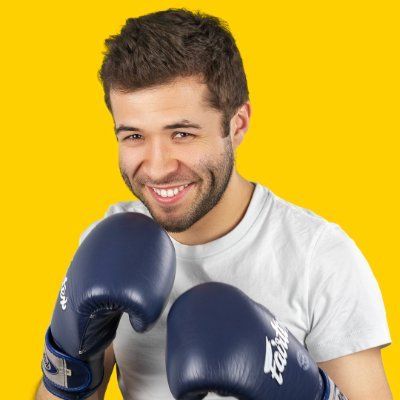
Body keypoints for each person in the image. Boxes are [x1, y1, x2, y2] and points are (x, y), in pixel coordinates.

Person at [36, 8, 392, 399]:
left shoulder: (317, 257)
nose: (157, 167)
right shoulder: (109, 241)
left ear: (237, 125)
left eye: (182, 134)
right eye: (134, 136)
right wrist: (68, 352)